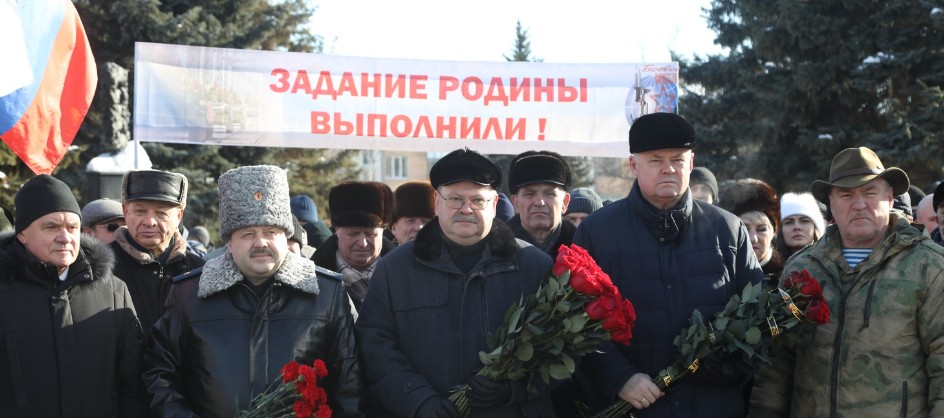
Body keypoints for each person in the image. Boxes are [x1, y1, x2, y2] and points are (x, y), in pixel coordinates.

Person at [573, 112, 764, 416]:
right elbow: (576, 320)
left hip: (713, 405)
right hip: (633, 406)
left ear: (691, 162)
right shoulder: (597, 233)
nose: (668, 169)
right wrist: (619, 376)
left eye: (677, 159)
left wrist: (726, 364)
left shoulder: (727, 230)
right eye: (655, 160)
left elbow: (757, 315)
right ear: (634, 165)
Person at [144, 165, 364, 417]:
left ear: (286, 236)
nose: (261, 242)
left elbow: (350, 385)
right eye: (248, 234)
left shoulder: (327, 294)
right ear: (230, 242)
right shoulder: (189, 295)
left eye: (271, 232)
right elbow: (159, 374)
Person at [356, 148, 556, 417]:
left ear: (495, 204)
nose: (466, 209)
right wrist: (419, 401)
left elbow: (558, 347)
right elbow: (375, 345)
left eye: (477, 200)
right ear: (437, 203)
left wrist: (514, 389)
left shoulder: (534, 266)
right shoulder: (396, 269)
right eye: (455, 199)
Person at [749, 147, 944, 417]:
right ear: (831, 203)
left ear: (890, 198)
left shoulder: (929, 266)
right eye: (846, 194)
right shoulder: (802, 268)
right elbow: (776, 367)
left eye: (870, 192)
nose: (859, 203)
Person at [0, 175, 146, 417]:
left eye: (72, 227)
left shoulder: (114, 292)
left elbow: (132, 384)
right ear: (22, 234)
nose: (65, 237)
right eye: (51, 227)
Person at [110, 169, 206, 336]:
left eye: (161, 213)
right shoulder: (101, 267)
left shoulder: (199, 271)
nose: (149, 222)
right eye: (140, 211)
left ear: (179, 216)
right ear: (125, 212)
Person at [312, 181, 395, 309]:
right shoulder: (311, 280)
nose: (362, 243)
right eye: (353, 234)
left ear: (383, 231)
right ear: (337, 230)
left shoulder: (405, 276)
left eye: (371, 234)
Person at [507, 150, 575, 258]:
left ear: (565, 202)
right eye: (529, 194)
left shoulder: (585, 247)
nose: (539, 202)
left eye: (550, 194)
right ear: (516, 203)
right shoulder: (493, 250)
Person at [719, 178, 784, 286]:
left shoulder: (787, 278)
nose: (753, 238)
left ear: (773, 232)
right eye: (744, 229)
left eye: (761, 229)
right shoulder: (716, 274)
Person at [774, 192, 826, 260]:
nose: (797, 227)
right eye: (789, 222)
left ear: (815, 227)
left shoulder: (833, 264)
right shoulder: (767, 268)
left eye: (804, 221)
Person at [389, 181, 435, 245]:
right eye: (410, 221)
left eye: (425, 221)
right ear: (394, 229)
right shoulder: (387, 254)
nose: (419, 228)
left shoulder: (449, 254)